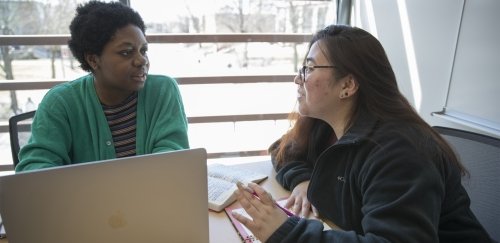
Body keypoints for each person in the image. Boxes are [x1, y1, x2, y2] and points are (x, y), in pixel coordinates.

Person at [232, 25, 492, 242]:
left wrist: (289, 233)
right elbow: (284, 149)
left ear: (347, 85)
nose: (298, 79)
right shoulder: (326, 125)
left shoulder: (399, 152)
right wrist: (303, 181)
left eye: (309, 69)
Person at [16, 1, 189, 172]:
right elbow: (33, 168)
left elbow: (172, 157)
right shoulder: (61, 102)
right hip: (84, 200)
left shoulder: (163, 90)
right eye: (126, 52)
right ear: (93, 59)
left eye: (143, 50)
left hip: (152, 198)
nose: (142, 60)